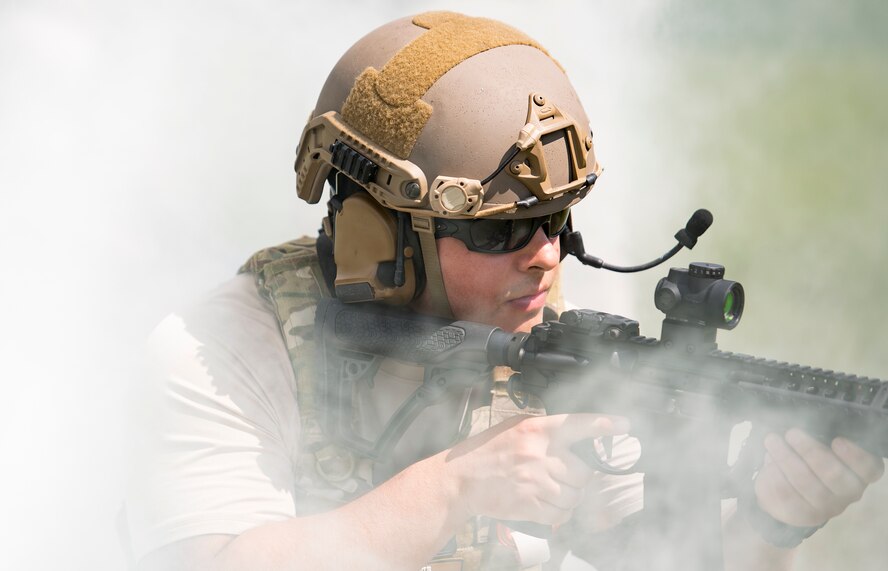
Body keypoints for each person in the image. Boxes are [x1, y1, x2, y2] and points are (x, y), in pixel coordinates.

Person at [125, 11, 884, 571]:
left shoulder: (551, 345)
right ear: (381, 237)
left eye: (556, 220)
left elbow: (660, 557)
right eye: (497, 232)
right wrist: (457, 485)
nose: (545, 257)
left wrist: (771, 520)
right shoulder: (228, 351)